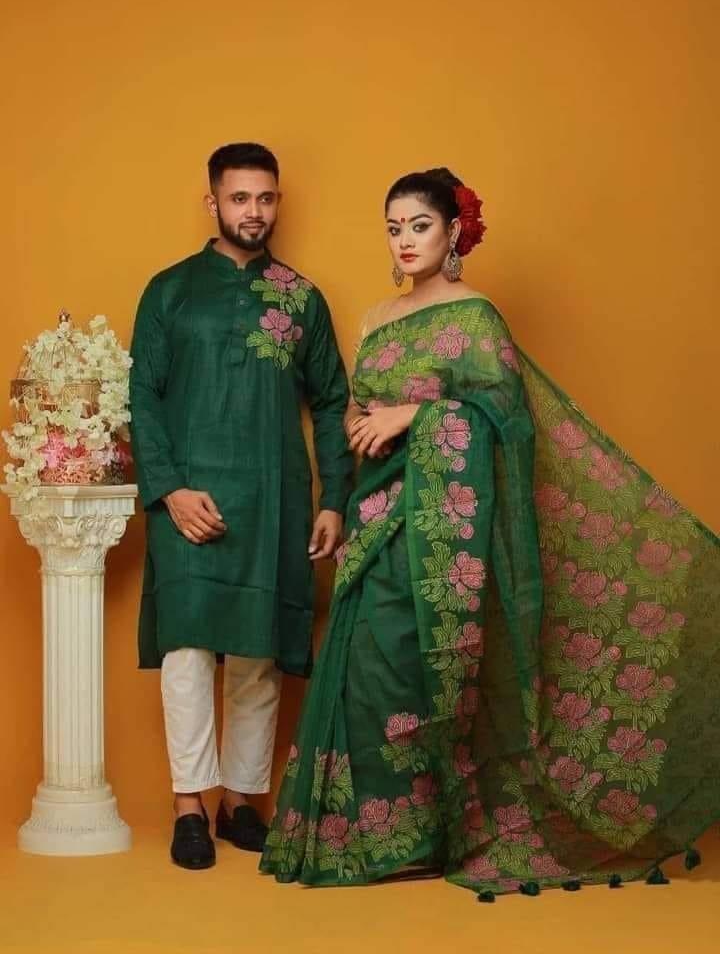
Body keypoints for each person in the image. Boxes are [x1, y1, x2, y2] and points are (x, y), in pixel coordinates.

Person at [260, 167, 720, 897]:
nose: (405, 240)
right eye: (393, 228)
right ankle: (365, 838)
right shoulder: (376, 317)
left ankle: (430, 835)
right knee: (363, 670)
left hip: (441, 527)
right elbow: (357, 405)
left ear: (452, 233)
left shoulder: (476, 317)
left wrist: (415, 415)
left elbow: (507, 420)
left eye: (419, 226)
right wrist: (360, 423)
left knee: (416, 667)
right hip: (376, 517)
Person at [129, 142, 353, 870]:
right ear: (213, 202)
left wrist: (335, 499)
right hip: (186, 498)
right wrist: (169, 488)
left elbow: (333, 400)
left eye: (265, 198)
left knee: (258, 652)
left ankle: (242, 802)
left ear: (276, 202)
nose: (253, 211)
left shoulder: (300, 297)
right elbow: (143, 396)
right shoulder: (169, 290)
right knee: (188, 650)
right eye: (239, 198)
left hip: (273, 496)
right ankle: (189, 806)